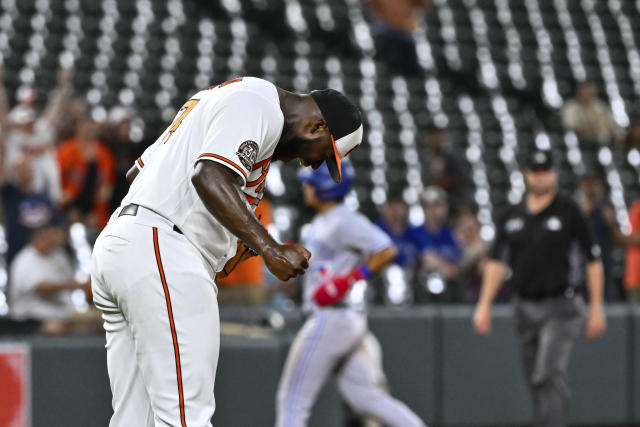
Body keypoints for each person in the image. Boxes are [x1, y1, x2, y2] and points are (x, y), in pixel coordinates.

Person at [90, 77, 364, 426]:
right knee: (186, 417)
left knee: (135, 419)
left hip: (126, 244)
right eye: (324, 154)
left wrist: (234, 237)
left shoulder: (222, 100)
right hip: (162, 248)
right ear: (316, 125)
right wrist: (269, 247)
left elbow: (136, 174)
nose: (311, 165)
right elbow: (210, 176)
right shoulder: (259, 102)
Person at [276, 163, 426, 427]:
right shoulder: (320, 222)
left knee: (292, 402)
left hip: (331, 317)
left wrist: (353, 277)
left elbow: (386, 249)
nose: (306, 187)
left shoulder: (345, 219)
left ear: (326, 187)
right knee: (367, 400)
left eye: (311, 182)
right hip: (338, 317)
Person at [473, 149, 606, 427]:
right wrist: (484, 305)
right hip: (523, 305)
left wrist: (596, 308)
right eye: (535, 171)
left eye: (545, 171)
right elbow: (496, 262)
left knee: (548, 373)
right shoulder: (511, 214)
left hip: (562, 305)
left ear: (554, 174)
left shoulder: (569, 211)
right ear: (527, 174)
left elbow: (593, 262)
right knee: (535, 377)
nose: (541, 177)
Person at [0, 68, 72, 203]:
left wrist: (62, 87)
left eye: (29, 120)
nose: (27, 124)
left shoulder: (41, 130)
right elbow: (3, 118)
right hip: (18, 191)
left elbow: (53, 110)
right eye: (23, 121)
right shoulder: (14, 135)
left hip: (47, 193)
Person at [9, 219, 90, 323]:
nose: (54, 240)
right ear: (37, 238)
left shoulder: (57, 254)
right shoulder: (25, 259)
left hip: (62, 313)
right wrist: (72, 285)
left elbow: (69, 278)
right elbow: (40, 287)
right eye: (48, 236)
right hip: (30, 318)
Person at [57, 117, 116, 229]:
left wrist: (106, 189)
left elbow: (108, 186)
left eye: (91, 129)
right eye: (85, 129)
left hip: (95, 209)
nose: (88, 133)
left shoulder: (105, 155)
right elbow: (58, 181)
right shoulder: (66, 150)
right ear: (78, 129)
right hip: (69, 206)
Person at [0, 153, 59, 264]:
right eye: (22, 168)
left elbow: (59, 226)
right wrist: (10, 168)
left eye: (28, 167)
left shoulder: (43, 198)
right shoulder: (9, 195)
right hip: (18, 258)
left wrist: (52, 239)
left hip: (46, 256)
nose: (26, 170)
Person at [416, 186, 462, 281]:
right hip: (421, 284)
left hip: (452, 285)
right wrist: (445, 267)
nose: (435, 210)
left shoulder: (452, 233)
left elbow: (461, 260)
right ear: (424, 209)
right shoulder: (414, 233)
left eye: (439, 205)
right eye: (431, 206)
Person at [561, 81, 623, 146]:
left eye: (590, 93)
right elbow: (569, 126)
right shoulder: (570, 107)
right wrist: (589, 129)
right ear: (578, 93)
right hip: (580, 142)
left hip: (602, 141)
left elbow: (611, 124)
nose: (588, 95)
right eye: (585, 92)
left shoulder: (599, 106)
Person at [420, 125, 470, 207]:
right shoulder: (426, 159)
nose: (436, 140)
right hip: (431, 201)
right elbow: (425, 180)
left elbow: (462, 178)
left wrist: (444, 181)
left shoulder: (454, 158)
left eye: (438, 137)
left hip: (452, 201)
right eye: (433, 138)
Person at [376, 196, 422, 270]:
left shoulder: (413, 233)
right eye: (391, 207)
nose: (395, 211)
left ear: (405, 209)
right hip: (382, 276)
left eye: (398, 206)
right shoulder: (376, 231)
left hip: (411, 275)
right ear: (384, 209)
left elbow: (423, 255)